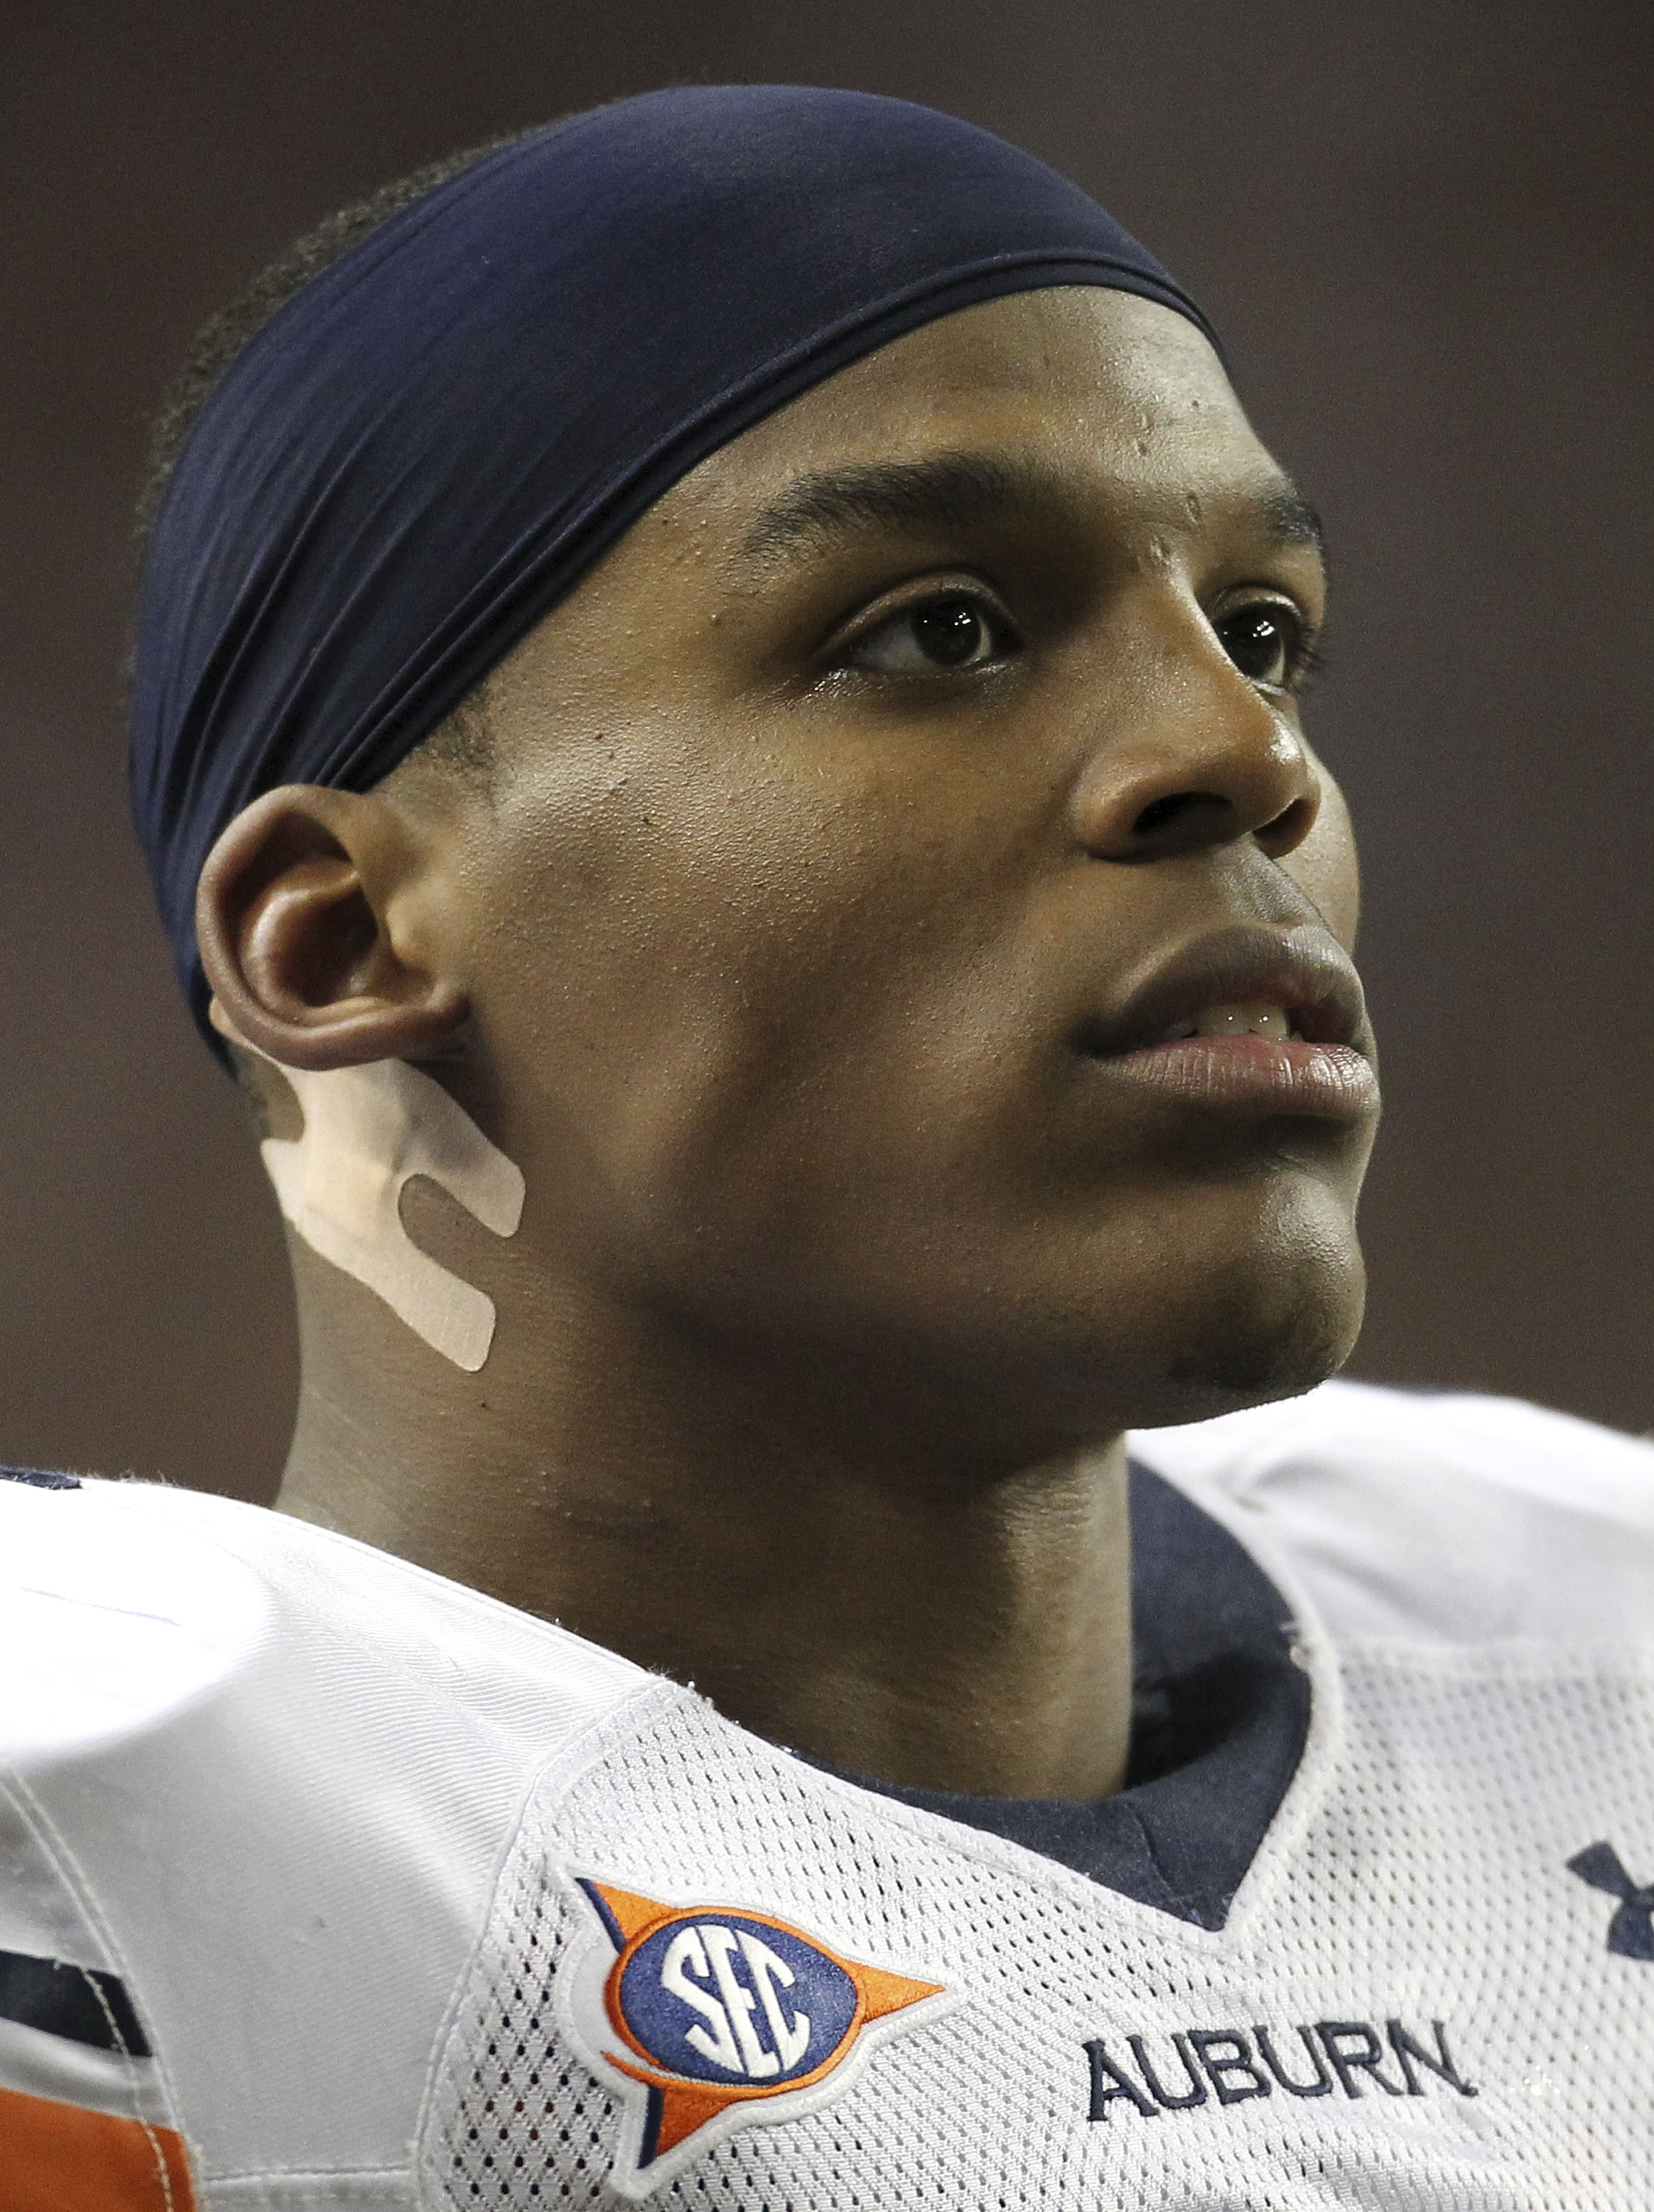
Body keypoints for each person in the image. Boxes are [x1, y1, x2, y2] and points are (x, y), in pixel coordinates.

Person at [2, 84, 1650, 2211]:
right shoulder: (118, 1869)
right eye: (938, 630)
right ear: (338, 942)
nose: (1242, 758)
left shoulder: (1585, 1637)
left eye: (1261, 635)